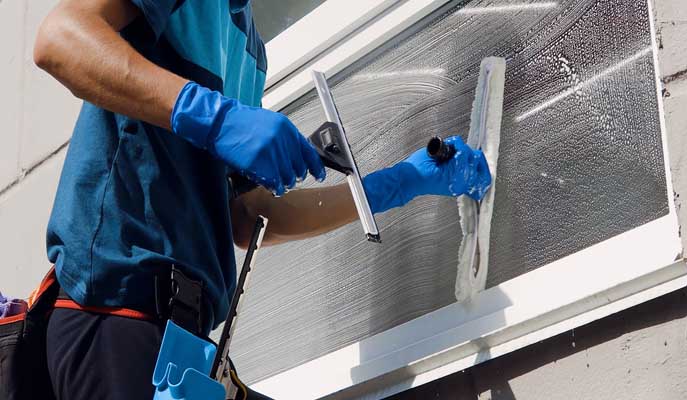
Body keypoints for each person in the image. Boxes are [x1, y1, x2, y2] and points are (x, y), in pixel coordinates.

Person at [33, 0, 492, 399]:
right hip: (115, 315)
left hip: (184, 340)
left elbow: (247, 215)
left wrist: (394, 184)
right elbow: (60, 41)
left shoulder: (250, 47)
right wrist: (218, 119)